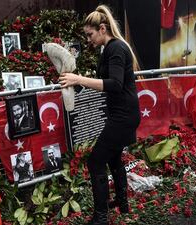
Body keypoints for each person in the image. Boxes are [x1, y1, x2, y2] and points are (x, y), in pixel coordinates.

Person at [59, 5, 140, 225]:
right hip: (123, 113)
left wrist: (78, 79)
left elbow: (114, 84)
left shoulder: (115, 48)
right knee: (113, 157)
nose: (88, 39)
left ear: (102, 28)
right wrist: (76, 83)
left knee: (95, 162)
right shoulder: (109, 49)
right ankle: (122, 204)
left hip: (123, 115)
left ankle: (101, 217)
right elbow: (104, 84)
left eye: (90, 34)